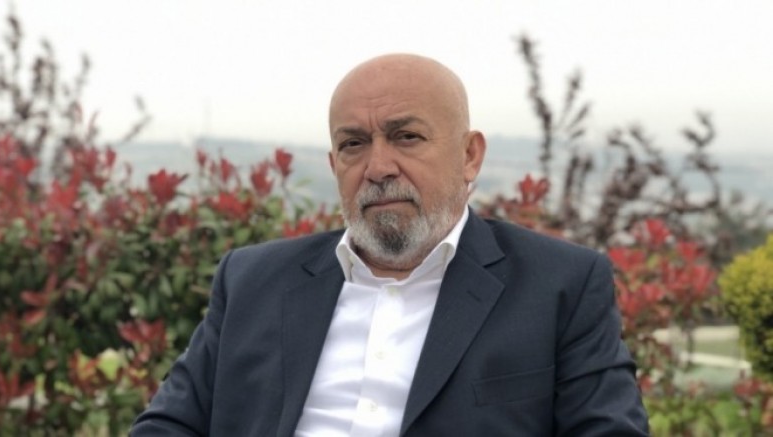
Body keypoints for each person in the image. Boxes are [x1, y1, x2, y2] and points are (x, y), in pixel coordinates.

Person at [131, 54, 649, 436]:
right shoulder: (252, 281)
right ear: (334, 165)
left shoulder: (558, 287)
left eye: (406, 137)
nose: (378, 168)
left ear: (469, 156)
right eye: (353, 144)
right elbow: (169, 425)